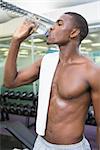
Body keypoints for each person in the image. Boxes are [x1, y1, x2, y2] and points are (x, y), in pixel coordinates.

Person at [3, 12, 100, 150]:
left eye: (59, 23)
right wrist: (16, 41)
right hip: (41, 143)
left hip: (71, 147)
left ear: (74, 32)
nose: (52, 27)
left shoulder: (91, 71)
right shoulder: (46, 62)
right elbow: (10, 82)